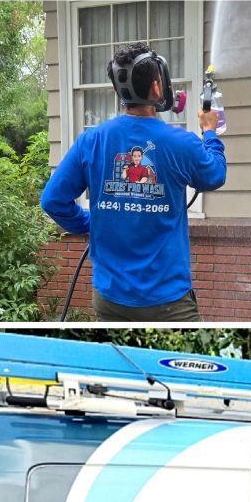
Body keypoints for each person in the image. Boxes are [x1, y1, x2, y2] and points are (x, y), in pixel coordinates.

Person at [41, 42, 226, 321]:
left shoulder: (92, 140)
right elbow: (214, 175)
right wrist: (210, 132)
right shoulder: (181, 143)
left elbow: (53, 201)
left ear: (118, 91)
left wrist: (90, 223)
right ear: (156, 88)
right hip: (168, 303)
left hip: (110, 299)